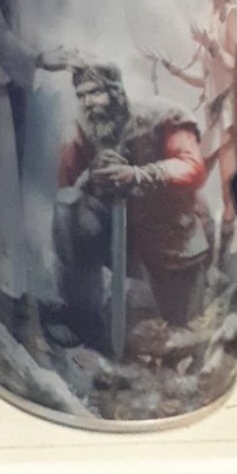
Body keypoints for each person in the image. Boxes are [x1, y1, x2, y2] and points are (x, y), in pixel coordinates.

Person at [51, 62, 212, 352]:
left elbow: (192, 167)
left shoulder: (161, 117)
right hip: (118, 236)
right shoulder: (82, 131)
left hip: (171, 239)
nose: (88, 103)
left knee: (183, 332)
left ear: (116, 92)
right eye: (81, 95)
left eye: (95, 93)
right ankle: (82, 320)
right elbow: (67, 189)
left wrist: (138, 175)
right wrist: (91, 176)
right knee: (68, 211)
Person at [153, 0, 237, 245]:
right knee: (194, 178)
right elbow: (207, 79)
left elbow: (236, 65)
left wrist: (213, 46)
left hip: (227, 113)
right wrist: (176, 70)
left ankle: (225, 247)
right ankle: (200, 236)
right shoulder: (211, 16)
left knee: (227, 188)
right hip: (213, 114)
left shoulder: (231, 14)